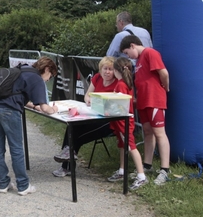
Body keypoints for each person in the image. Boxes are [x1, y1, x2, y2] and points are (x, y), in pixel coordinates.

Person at [0, 57, 59, 195]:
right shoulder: (37, 78)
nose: (48, 79)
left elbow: (15, 93)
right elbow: (45, 108)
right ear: (47, 69)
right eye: (50, 76)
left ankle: (3, 183)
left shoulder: (21, 70)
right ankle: (23, 185)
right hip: (9, 111)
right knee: (16, 148)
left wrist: (33, 105)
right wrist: (54, 109)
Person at [52, 56, 118, 177]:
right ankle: (67, 164)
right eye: (105, 68)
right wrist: (88, 100)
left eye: (111, 69)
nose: (107, 72)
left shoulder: (118, 83)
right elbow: (87, 95)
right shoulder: (97, 78)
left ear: (115, 71)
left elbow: (115, 104)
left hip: (109, 121)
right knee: (71, 126)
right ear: (101, 69)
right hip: (92, 115)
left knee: (76, 136)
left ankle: (67, 166)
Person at [120, 35, 170, 185]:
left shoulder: (150, 53)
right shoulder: (140, 60)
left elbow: (164, 73)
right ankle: (147, 165)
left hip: (154, 100)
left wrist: (165, 88)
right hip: (143, 102)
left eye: (127, 53)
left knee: (159, 133)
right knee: (147, 132)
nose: (128, 56)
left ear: (133, 45)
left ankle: (165, 169)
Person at [107, 57, 147, 190]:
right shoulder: (126, 83)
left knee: (131, 147)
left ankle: (141, 176)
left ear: (117, 70)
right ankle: (122, 170)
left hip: (123, 121)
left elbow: (119, 105)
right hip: (121, 120)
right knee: (123, 145)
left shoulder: (121, 85)